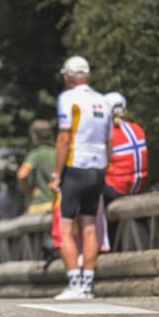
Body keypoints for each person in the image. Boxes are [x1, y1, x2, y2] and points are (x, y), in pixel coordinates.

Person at [49, 56, 112, 300]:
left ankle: (75, 283)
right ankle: (87, 285)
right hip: (98, 168)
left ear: (67, 77)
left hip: (75, 167)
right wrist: (104, 167)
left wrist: (57, 175)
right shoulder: (103, 101)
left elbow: (64, 138)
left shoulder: (67, 98)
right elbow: (109, 142)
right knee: (89, 227)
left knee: (65, 227)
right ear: (88, 76)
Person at [103, 92, 148, 206]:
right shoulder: (137, 129)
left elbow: (102, 164)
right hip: (138, 187)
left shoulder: (108, 134)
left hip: (117, 189)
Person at [17, 120, 57, 215]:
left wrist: (27, 191)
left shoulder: (35, 155)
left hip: (38, 205)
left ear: (34, 136)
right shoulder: (59, 154)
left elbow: (21, 175)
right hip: (57, 204)